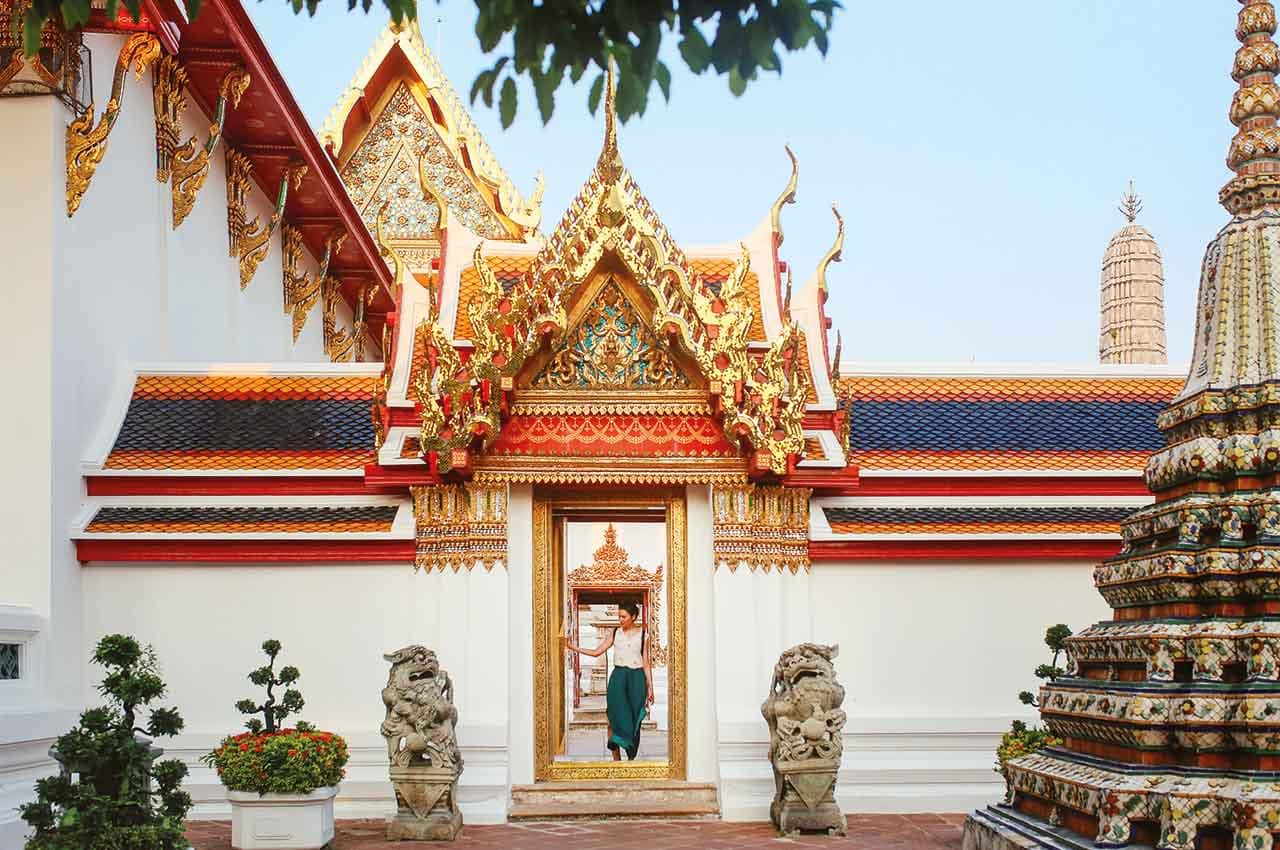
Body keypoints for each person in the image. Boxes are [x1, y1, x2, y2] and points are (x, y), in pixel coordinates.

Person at [563, 600, 654, 761]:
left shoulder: (644, 635)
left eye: (624, 617)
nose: (620, 620)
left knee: (634, 720)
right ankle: (616, 760)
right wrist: (573, 647)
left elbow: (646, 663)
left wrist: (650, 687)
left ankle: (631, 758)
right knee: (614, 717)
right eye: (619, 616)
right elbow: (597, 652)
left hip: (637, 679)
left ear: (633, 617)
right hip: (618, 678)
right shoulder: (615, 632)